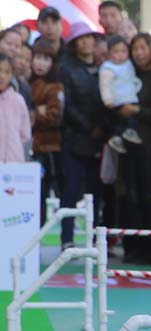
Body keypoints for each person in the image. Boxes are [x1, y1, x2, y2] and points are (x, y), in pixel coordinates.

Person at [121, 33, 151, 264]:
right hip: (129, 145)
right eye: (135, 48)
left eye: (143, 47)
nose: (139, 53)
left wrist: (138, 111)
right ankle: (133, 247)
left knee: (150, 196)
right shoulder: (126, 75)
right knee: (131, 196)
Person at [59, 22, 105, 250]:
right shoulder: (66, 69)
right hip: (75, 138)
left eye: (90, 38)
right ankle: (66, 239)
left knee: (96, 193)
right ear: (74, 44)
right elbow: (67, 105)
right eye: (81, 38)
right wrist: (89, 127)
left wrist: (102, 128)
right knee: (72, 189)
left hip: (99, 139)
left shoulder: (103, 67)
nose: (87, 42)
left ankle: (96, 240)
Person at [30, 41, 63, 224]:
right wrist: (37, 110)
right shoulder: (27, 82)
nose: (40, 63)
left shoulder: (54, 87)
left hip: (47, 149)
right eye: (37, 58)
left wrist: (33, 114)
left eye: (45, 59)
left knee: (41, 194)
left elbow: (55, 117)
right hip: (28, 147)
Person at [100, 35, 143, 153]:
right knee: (122, 119)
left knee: (128, 119)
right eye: (116, 52)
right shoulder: (108, 68)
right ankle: (118, 136)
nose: (120, 55)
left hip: (130, 96)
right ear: (109, 53)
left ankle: (122, 135)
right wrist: (107, 100)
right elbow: (105, 85)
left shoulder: (128, 64)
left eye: (124, 51)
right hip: (117, 98)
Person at [0, 54, 31, 163]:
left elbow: (25, 134)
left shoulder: (18, 100)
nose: (2, 76)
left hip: (14, 161)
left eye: (7, 72)